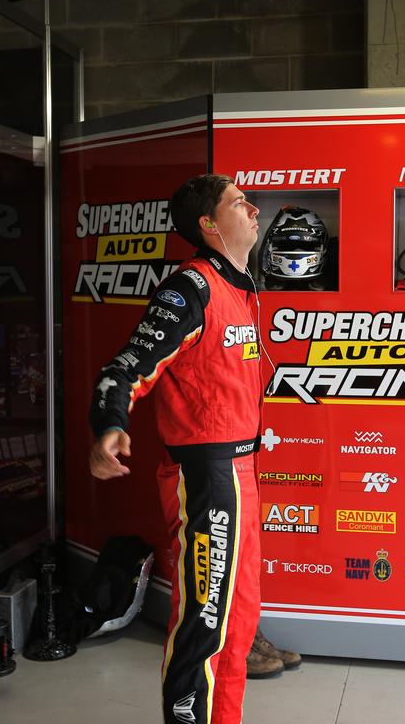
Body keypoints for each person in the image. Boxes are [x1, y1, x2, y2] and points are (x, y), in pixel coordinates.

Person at [88, 174, 265, 724]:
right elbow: (124, 367)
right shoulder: (190, 288)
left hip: (241, 471)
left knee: (239, 620)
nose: (254, 208)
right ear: (209, 226)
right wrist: (109, 423)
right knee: (204, 623)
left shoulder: (241, 286)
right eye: (239, 202)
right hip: (208, 478)